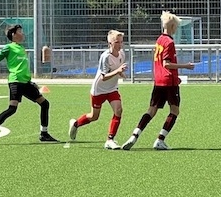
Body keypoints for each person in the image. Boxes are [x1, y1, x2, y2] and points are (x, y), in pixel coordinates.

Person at [121, 11, 194, 151]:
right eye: (176, 26)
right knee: (175, 111)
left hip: (159, 80)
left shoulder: (159, 40)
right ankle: (160, 140)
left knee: (151, 110)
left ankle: (134, 135)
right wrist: (185, 66)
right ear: (172, 26)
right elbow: (167, 64)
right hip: (169, 82)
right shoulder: (170, 42)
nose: (176, 29)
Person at [0, 23, 56, 145]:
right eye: (20, 31)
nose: (22, 34)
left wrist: (30, 82)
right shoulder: (8, 48)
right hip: (15, 82)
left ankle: (44, 134)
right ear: (13, 34)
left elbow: (22, 68)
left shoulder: (22, 48)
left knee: (45, 104)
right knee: (12, 109)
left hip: (26, 83)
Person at [68, 30, 128, 149]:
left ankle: (110, 140)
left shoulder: (122, 54)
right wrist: (118, 71)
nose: (120, 45)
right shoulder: (105, 57)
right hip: (99, 90)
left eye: (121, 42)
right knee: (94, 116)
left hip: (112, 89)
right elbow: (104, 77)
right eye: (117, 42)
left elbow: (116, 69)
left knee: (119, 110)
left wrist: (121, 73)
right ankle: (76, 124)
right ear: (110, 43)